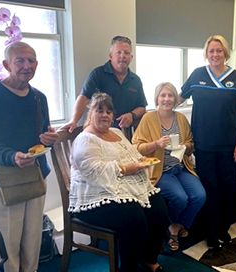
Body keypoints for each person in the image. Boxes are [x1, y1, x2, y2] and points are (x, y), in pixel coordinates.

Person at [0, 41, 59, 272]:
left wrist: (48, 138)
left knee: (32, 243)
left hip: (35, 176)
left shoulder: (39, 97)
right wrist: (12, 156)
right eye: (19, 60)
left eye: (31, 60)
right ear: (6, 64)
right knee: (7, 247)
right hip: (3, 179)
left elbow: (43, 132)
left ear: (37, 64)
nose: (26, 65)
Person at [68, 93, 168, 272]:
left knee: (159, 206)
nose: (105, 115)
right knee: (134, 217)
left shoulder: (116, 132)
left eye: (108, 111)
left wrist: (140, 161)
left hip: (121, 189)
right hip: (93, 199)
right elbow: (94, 172)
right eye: (100, 111)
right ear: (90, 114)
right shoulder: (85, 139)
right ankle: (128, 269)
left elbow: (133, 155)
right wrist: (124, 169)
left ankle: (148, 259)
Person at [179, 35, 236, 249]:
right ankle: (211, 231)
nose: (215, 55)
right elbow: (177, 98)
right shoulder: (197, 75)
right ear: (206, 53)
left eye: (219, 51)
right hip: (203, 145)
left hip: (229, 146)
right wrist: (160, 103)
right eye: (211, 51)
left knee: (227, 188)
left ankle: (223, 228)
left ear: (226, 53)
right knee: (209, 188)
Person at [132, 82, 206, 252]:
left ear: (175, 99)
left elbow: (190, 143)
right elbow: (136, 147)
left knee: (200, 195)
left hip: (180, 168)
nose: (167, 99)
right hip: (160, 171)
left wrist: (185, 146)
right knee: (180, 198)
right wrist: (156, 144)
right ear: (157, 99)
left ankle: (176, 225)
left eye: (170, 95)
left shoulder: (180, 118)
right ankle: (173, 228)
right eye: (163, 95)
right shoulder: (148, 118)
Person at [61, 35, 147, 133]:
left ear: (131, 57)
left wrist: (132, 115)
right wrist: (74, 120)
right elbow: (83, 98)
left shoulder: (136, 80)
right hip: (99, 133)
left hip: (125, 134)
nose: (122, 56)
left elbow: (142, 107)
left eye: (126, 53)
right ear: (111, 56)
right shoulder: (97, 74)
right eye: (118, 52)